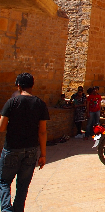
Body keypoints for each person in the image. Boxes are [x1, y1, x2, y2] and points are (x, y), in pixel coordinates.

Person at [0, 73, 50, 212]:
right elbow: (42, 131)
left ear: (18, 85)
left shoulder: (12, 102)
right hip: (31, 150)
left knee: (4, 182)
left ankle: (6, 209)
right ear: (32, 85)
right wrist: (43, 155)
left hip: (12, 148)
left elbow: (2, 127)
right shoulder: (40, 104)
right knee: (22, 186)